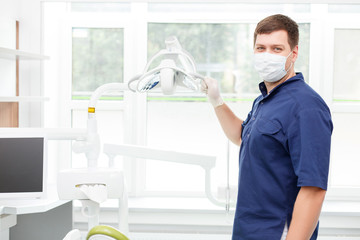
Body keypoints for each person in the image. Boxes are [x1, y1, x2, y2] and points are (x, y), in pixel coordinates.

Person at [202, 14, 333, 240]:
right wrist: (217, 101)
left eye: (277, 49)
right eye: (260, 48)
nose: (267, 56)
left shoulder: (306, 107)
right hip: (249, 230)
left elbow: (313, 189)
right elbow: (243, 136)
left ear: (294, 53)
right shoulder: (266, 99)